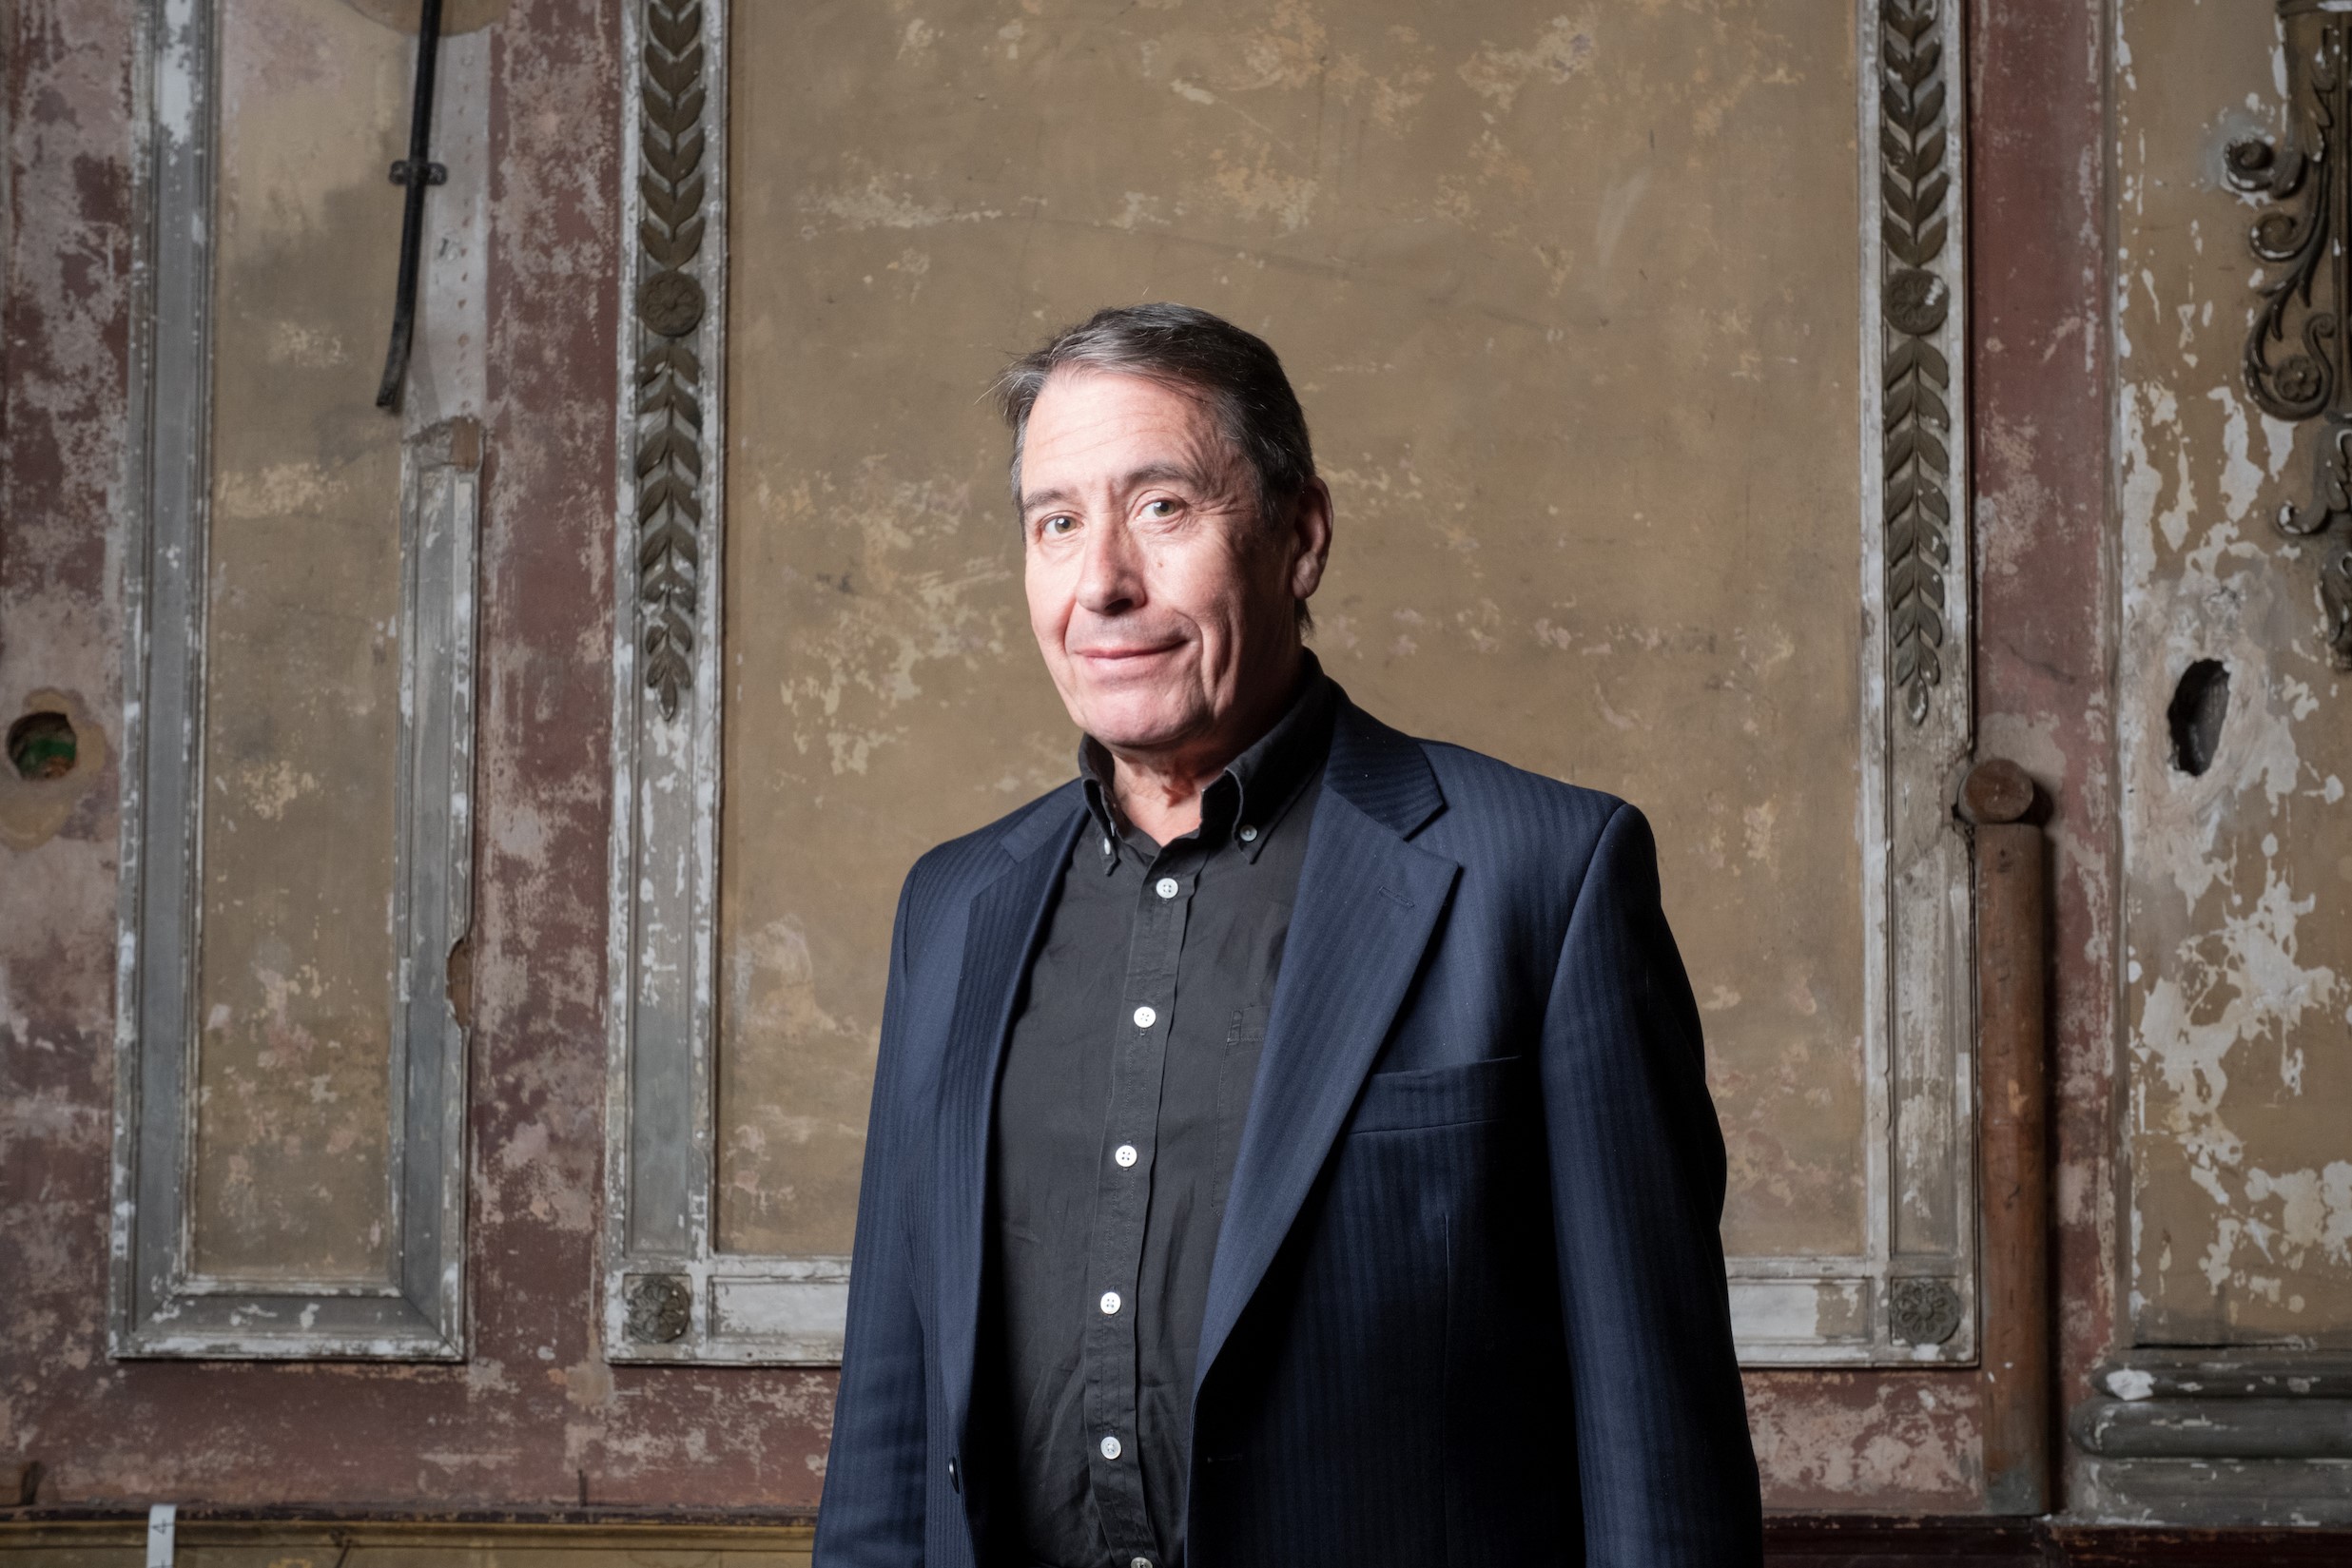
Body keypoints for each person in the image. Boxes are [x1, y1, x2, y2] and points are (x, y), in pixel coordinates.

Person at [813, 303, 1762, 1568]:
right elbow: (887, 1434)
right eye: (1056, 523)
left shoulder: (1544, 876)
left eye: (1161, 508)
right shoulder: (953, 907)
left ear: (1300, 536)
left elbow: (1656, 1452)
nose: (1101, 583)